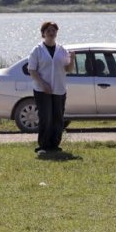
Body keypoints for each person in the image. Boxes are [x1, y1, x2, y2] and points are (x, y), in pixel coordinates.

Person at [27, 21, 75, 155]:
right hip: (42, 90)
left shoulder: (62, 50)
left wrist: (72, 59)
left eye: (54, 30)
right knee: (46, 117)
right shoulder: (37, 50)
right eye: (48, 30)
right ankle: (43, 145)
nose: (51, 32)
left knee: (58, 118)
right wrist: (43, 84)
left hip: (59, 89)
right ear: (43, 33)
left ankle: (55, 145)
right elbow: (32, 70)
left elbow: (68, 69)